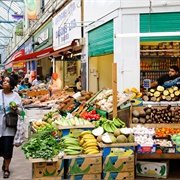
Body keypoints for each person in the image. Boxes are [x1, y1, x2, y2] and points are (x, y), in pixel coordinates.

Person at [0, 75, 22, 178]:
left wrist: (15, 109)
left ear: (11, 85)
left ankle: (7, 168)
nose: (4, 82)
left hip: (9, 127)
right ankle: (4, 162)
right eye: (4, 81)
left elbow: (21, 111)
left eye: (7, 81)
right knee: (1, 149)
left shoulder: (16, 96)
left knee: (8, 149)